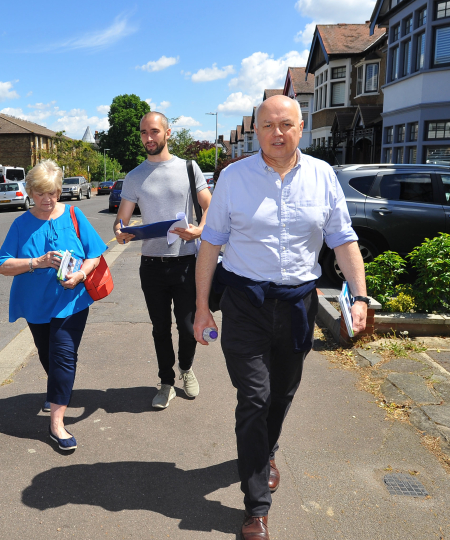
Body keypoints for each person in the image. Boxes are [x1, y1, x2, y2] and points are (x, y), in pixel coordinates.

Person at [193, 95, 368, 540]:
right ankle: (256, 507)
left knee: (283, 392)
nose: (277, 133)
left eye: (286, 124)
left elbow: (343, 240)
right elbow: (210, 245)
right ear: (257, 130)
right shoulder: (233, 177)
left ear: (301, 127)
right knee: (253, 397)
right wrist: (199, 309)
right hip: (244, 303)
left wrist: (362, 297)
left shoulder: (323, 176)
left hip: (296, 304)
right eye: (268, 125)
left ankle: (267, 447)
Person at [0, 159, 107, 451]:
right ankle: (57, 388)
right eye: (42, 193)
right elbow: (3, 266)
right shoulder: (20, 224)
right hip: (35, 305)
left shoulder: (73, 214)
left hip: (71, 300)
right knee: (49, 355)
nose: (49, 199)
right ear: (31, 191)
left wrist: (81, 274)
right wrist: (37, 262)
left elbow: (95, 254)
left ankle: (57, 423)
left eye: (54, 192)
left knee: (63, 354)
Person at [114, 111, 212, 409]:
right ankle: (166, 381)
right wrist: (120, 231)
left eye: (154, 131)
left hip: (185, 262)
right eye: (143, 133)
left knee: (186, 326)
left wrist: (199, 230)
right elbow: (122, 219)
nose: (148, 138)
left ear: (168, 133)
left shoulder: (189, 168)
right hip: (152, 265)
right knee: (160, 328)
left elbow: (211, 207)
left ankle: (186, 368)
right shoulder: (134, 177)